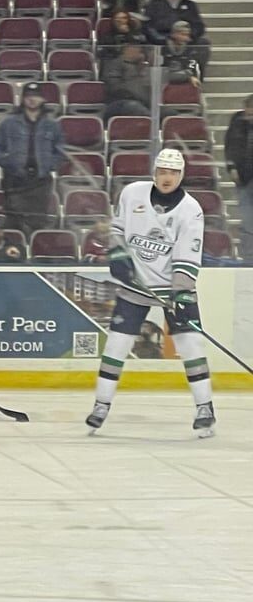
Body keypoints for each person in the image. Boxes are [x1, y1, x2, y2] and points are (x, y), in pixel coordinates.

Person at [87, 149, 214, 435]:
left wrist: (181, 295)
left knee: (190, 345)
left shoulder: (190, 210)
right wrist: (118, 255)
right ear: (154, 172)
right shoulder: (132, 194)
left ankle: (204, 408)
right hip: (135, 286)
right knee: (116, 345)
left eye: (173, 172)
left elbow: (187, 256)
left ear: (181, 176)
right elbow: (117, 229)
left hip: (172, 289)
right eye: (162, 171)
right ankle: (101, 406)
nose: (167, 177)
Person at [0, 82, 64, 241]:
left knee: (37, 220)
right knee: (14, 221)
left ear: (42, 99)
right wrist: (9, 162)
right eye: (28, 96)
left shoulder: (52, 125)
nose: (32, 100)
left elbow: (60, 151)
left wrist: (50, 165)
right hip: (15, 180)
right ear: (23, 99)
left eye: (36, 96)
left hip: (40, 181)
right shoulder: (9, 123)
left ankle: (36, 255)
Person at [144, 0, 210, 78]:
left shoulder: (190, 5)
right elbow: (148, 27)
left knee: (203, 44)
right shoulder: (153, 4)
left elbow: (199, 26)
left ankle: (195, 78)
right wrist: (169, 38)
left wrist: (188, 36)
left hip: (187, 42)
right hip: (163, 43)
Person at [224, 94, 253, 260]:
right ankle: (249, 259)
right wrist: (231, 166)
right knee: (248, 221)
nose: (248, 118)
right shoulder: (237, 121)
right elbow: (230, 146)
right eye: (247, 114)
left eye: (251, 115)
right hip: (243, 179)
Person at [102, 43, 153, 121]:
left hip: (143, 102)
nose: (139, 52)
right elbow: (114, 87)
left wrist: (141, 71)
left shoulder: (142, 66)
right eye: (136, 48)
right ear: (126, 50)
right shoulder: (115, 64)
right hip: (119, 102)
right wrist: (136, 76)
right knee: (135, 107)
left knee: (167, 112)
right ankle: (153, 125)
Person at [162, 21, 202, 85]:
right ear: (173, 34)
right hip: (165, 83)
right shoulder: (163, 47)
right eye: (183, 34)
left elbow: (192, 69)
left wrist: (189, 76)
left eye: (187, 35)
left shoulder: (190, 49)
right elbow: (163, 73)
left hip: (184, 82)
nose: (186, 38)